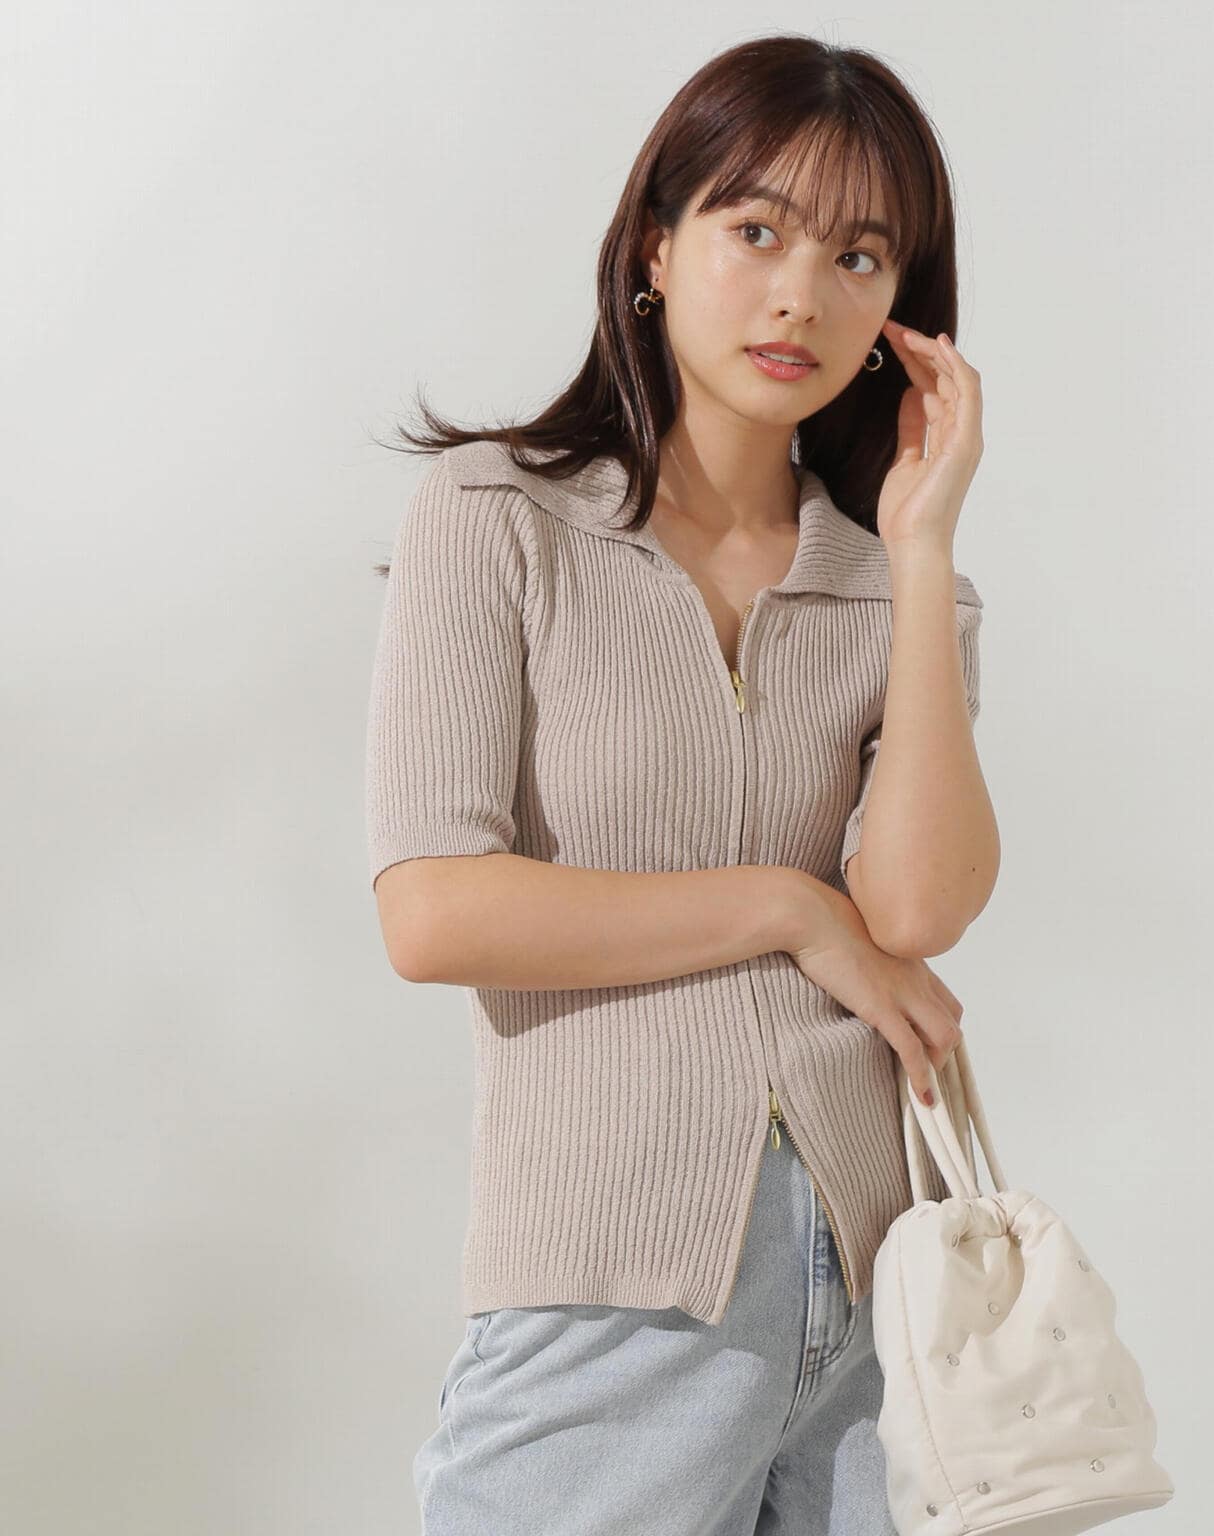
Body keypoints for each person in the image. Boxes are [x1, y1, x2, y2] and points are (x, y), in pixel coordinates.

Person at [365, 32, 999, 1536]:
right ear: (656, 246)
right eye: (756, 230)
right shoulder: (500, 519)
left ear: (900, 312)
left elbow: (918, 909)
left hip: (881, 1295)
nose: (801, 295)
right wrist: (790, 907)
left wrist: (920, 548)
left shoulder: (896, 589)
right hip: (619, 1282)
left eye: (858, 257)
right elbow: (434, 912)